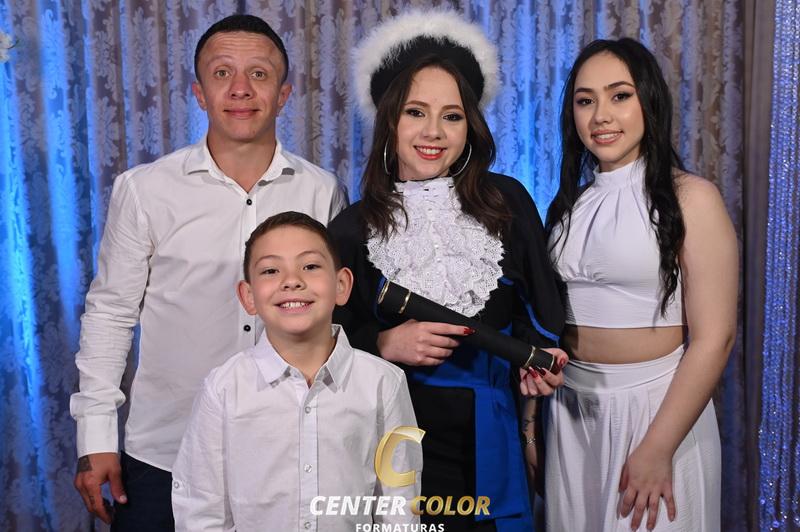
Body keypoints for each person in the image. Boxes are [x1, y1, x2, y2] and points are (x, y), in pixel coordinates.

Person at [70, 14, 347, 530]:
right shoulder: (145, 190)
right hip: (166, 452)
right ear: (199, 93)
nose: (240, 89)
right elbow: (110, 314)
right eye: (222, 73)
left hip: (289, 450)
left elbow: (332, 319)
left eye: (259, 74)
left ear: (284, 94)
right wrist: (96, 436)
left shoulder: (321, 190)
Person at [329, 10, 567, 532]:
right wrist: (383, 343)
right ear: (389, 121)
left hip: (488, 438)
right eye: (415, 112)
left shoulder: (507, 202)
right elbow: (323, 345)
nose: (433, 132)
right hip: (392, 438)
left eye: (452, 116)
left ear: (470, 126)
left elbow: (541, 310)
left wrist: (537, 368)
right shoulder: (350, 229)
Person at [544, 38, 737, 531]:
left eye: (619, 95)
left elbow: (715, 337)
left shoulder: (692, 198)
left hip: (657, 410)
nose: (601, 116)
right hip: (570, 410)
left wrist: (657, 446)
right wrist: (531, 425)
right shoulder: (567, 206)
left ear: (648, 100)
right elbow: (545, 323)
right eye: (585, 100)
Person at [171, 211, 420, 531]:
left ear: (341, 285)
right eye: (271, 270)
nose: (292, 280)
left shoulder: (383, 383)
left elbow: (399, 506)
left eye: (310, 266)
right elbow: (201, 511)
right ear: (249, 296)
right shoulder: (224, 388)